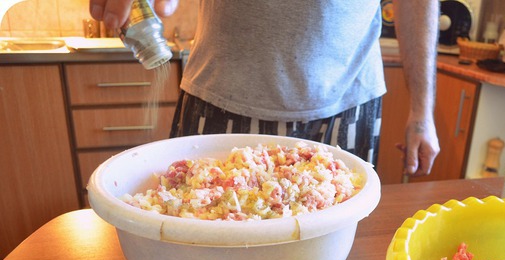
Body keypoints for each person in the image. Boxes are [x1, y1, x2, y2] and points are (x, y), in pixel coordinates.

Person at [89, 0, 440, 176]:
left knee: (332, 251)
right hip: (220, 97)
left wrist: (423, 111)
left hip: (348, 101)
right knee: (205, 245)